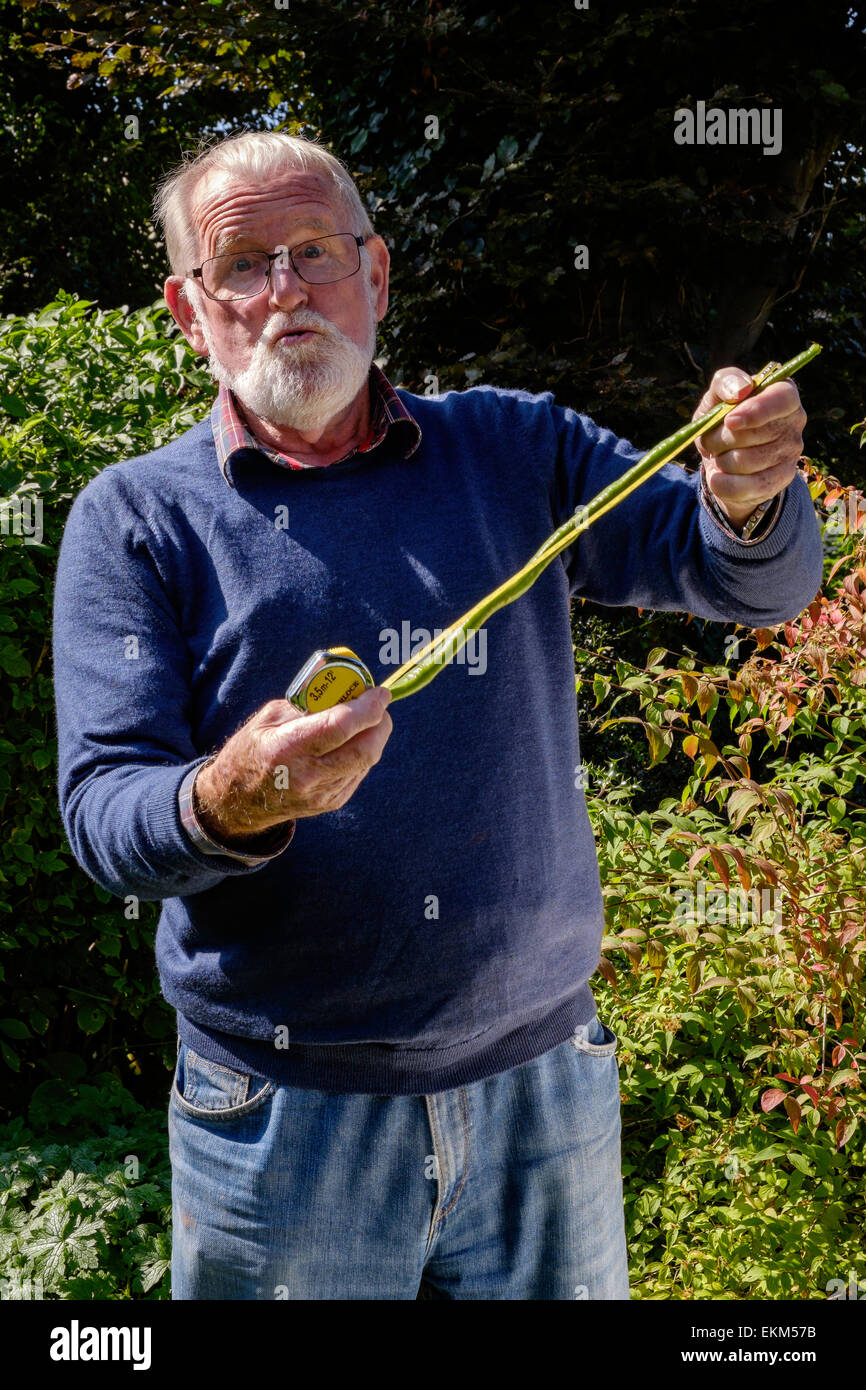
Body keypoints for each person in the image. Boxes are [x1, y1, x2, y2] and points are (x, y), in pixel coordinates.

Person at [52, 130, 823, 1301]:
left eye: (316, 250)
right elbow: (104, 810)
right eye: (242, 263)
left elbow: (744, 582)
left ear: (376, 271)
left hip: (542, 1089)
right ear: (186, 308)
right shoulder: (136, 519)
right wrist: (229, 797)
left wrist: (746, 493)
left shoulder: (514, 447)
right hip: (278, 1109)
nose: (284, 290)